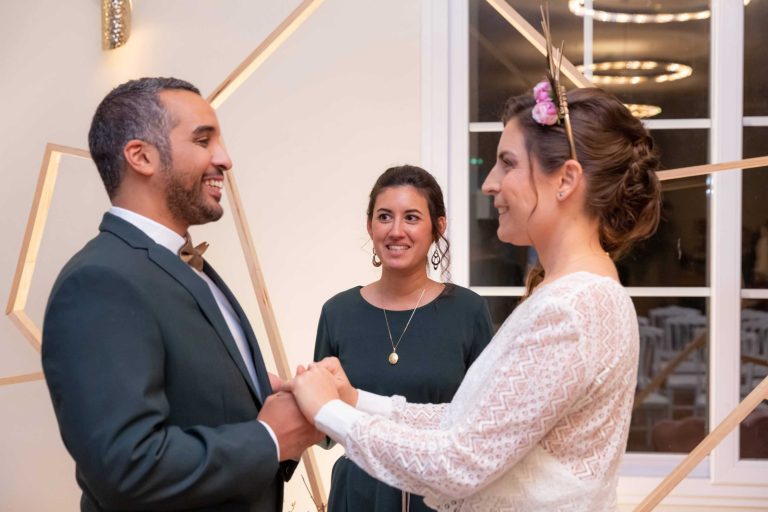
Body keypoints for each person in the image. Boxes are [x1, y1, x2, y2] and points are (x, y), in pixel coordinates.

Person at [285, 84, 662, 510]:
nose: (489, 183)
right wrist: (355, 400)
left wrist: (329, 412)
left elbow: (457, 462)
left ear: (566, 180)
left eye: (507, 163)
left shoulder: (571, 309)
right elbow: (465, 423)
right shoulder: (579, 295)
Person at [41, 77, 322, 512]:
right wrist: (268, 438)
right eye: (203, 139)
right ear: (141, 156)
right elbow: (126, 467)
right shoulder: (99, 282)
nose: (225, 159)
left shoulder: (185, 266)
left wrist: (279, 410)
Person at [314, 165, 494, 511]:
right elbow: (323, 428)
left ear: (437, 227)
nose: (396, 231)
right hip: (358, 495)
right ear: (370, 226)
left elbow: (481, 425)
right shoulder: (337, 312)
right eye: (384, 217)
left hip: (438, 496)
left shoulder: (468, 312)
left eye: (411, 218)